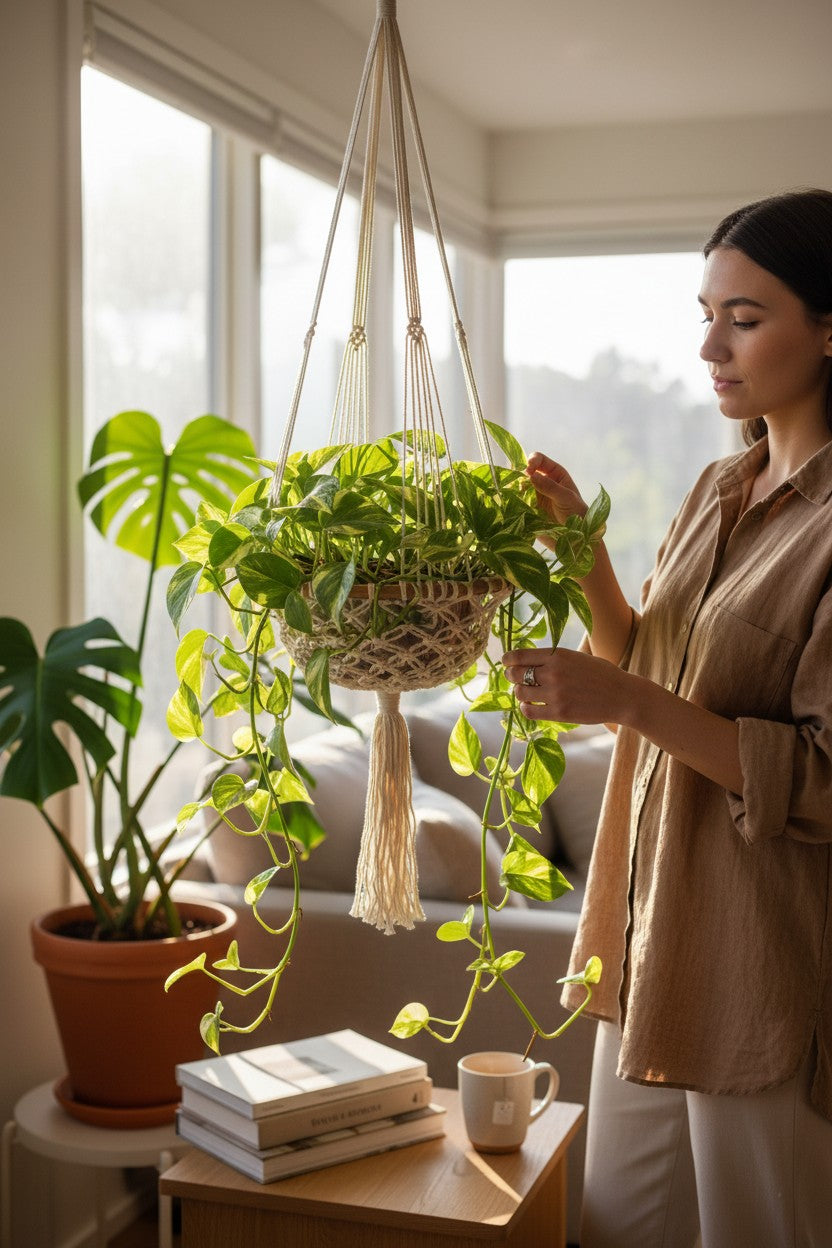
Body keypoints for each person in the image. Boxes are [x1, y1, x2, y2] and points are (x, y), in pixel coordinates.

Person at [502, 188, 832, 1248]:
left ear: (830, 329)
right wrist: (581, 557)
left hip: (763, 959)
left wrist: (630, 700)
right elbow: (643, 666)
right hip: (649, 938)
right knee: (615, 1224)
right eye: (705, 315)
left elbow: (822, 778)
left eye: (745, 318)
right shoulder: (714, 488)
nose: (709, 348)